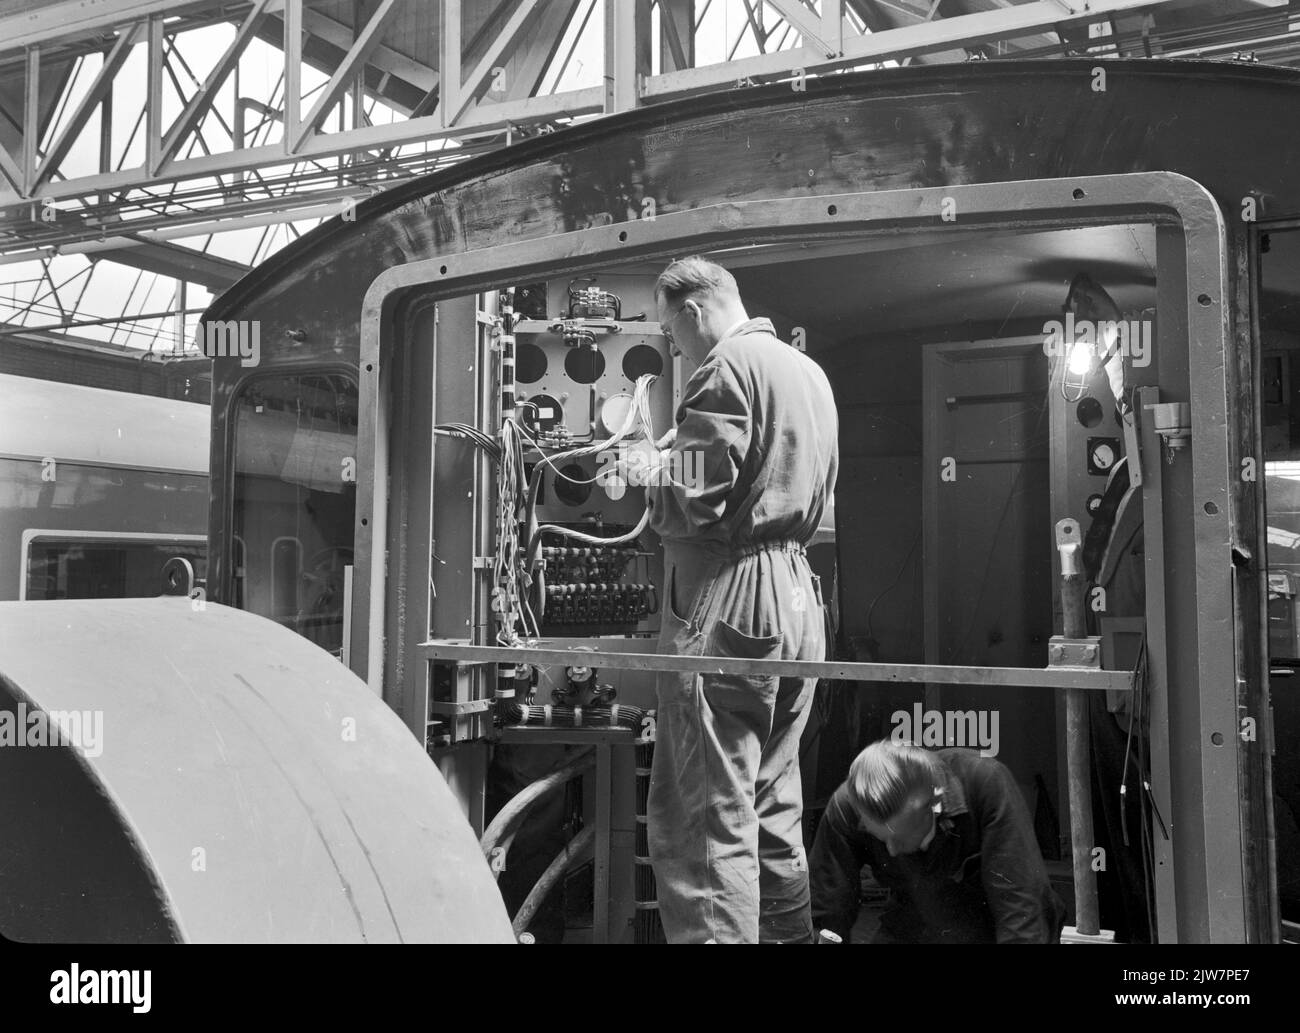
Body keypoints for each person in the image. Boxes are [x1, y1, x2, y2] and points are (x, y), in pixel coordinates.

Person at [627, 255, 839, 944]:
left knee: (705, 816)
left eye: (671, 331)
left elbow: (695, 495)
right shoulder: (807, 373)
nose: (676, 348)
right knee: (771, 803)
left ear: (692, 310)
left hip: (734, 597)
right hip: (798, 602)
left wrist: (644, 468)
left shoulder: (723, 367)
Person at [809, 740, 1065, 943]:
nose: (891, 850)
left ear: (935, 804)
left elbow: (1021, 914)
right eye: (882, 838)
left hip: (989, 927)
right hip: (913, 925)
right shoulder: (847, 806)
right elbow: (827, 916)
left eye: (899, 838)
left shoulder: (985, 783)